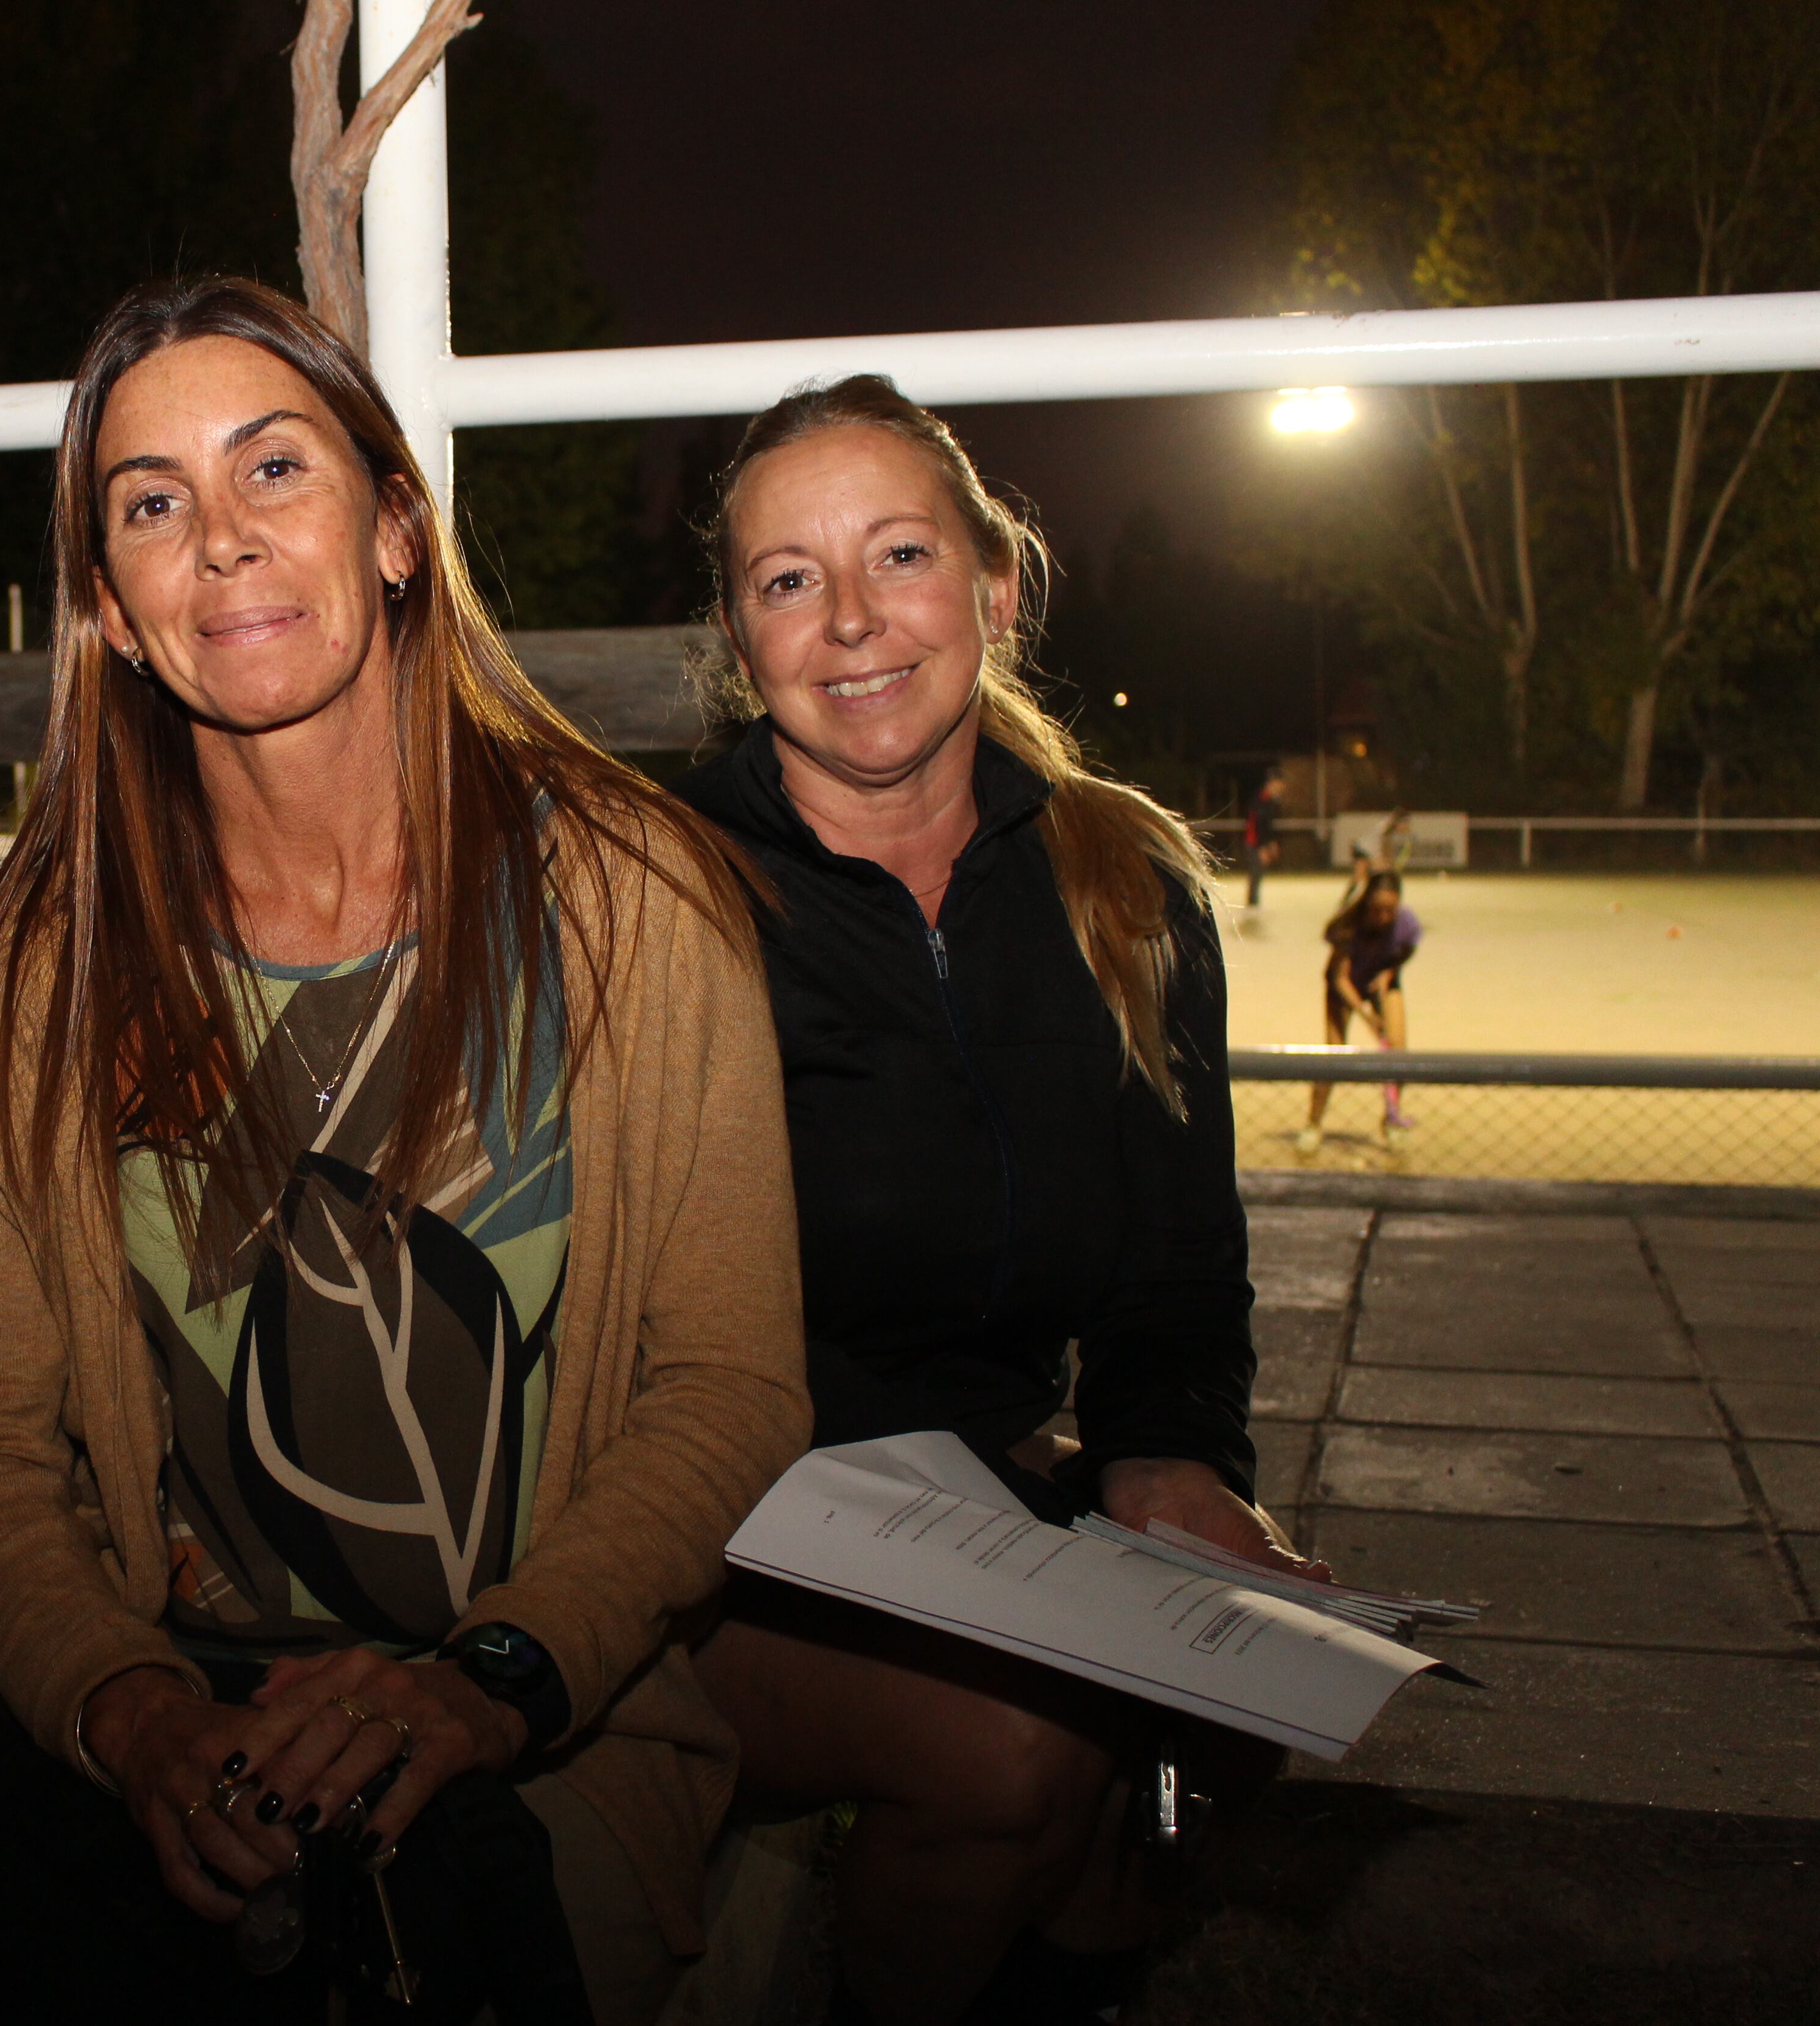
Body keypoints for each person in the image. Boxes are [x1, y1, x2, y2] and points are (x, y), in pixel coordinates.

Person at [0, 278, 811, 2024]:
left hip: (542, 1731)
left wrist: (485, 1683)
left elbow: (730, 1388)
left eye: (276, 470)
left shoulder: (631, 902)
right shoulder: (39, 971)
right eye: (153, 504)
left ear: (397, 529)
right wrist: (130, 1708)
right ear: (108, 604)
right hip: (176, 1718)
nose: (222, 542)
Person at [668, 374, 1313, 2026]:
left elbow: (1177, 1275)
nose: (854, 620)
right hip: (710, 1529)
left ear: (998, 584)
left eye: (900, 554)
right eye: (789, 579)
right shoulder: (661, 893)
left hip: (995, 1504)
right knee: (1025, 1747)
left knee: (1218, 1709)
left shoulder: (1122, 877)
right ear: (743, 641)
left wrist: (1174, 1462)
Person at [1301, 870, 1420, 1151]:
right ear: (1367, 902)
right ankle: (1313, 1125)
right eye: (1378, 910)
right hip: (1343, 985)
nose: (1384, 918)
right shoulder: (1347, 924)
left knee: (1398, 1052)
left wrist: (1390, 972)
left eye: (1391, 910)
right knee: (1334, 1054)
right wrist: (1368, 1017)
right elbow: (1340, 978)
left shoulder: (1407, 923)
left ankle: (1391, 1121)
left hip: (1381, 981)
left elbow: (1406, 950)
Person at [1239, 765, 1285, 908]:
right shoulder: (1260, 800)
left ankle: (1254, 904)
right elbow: (1257, 826)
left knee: (1258, 876)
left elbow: (1268, 827)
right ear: (1272, 783)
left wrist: (1272, 843)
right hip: (1254, 843)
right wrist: (1262, 848)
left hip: (1258, 844)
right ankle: (1252, 905)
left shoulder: (1269, 802)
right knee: (1255, 876)